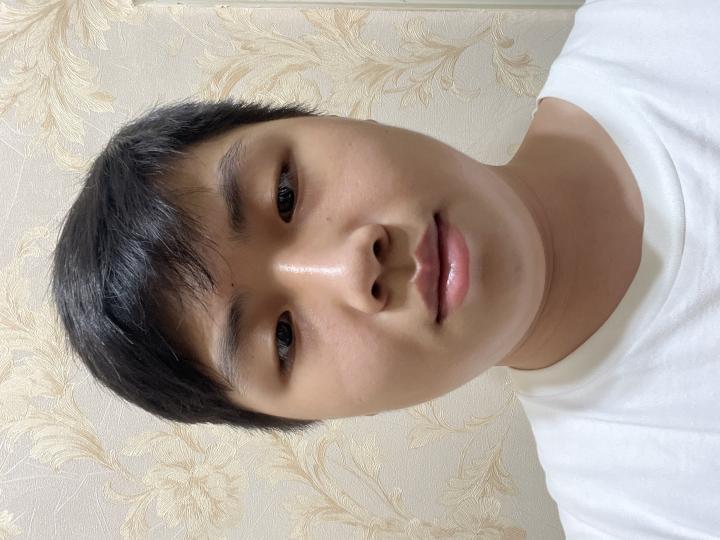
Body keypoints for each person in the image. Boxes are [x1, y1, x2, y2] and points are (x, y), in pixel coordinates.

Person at [51, 0, 719, 536]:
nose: (350, 268)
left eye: (284, 195)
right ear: (312, 418)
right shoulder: (646, 518)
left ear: (321, 119)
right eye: (281, 338)